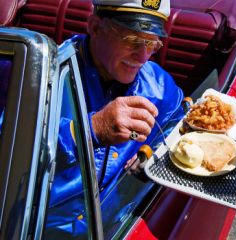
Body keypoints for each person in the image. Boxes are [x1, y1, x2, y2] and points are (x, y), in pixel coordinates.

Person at [46, 0, 184, 236]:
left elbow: (176, 125)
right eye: (132, 40)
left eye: (152, 44)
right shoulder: (47, 76)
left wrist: (150, 155)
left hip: (118, 223)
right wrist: (90, 130)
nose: (143, 57)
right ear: (95, 27)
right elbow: (9, 144)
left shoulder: (160, 87)